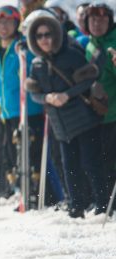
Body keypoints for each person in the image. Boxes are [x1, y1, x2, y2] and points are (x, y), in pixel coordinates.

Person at [26, 14, 110, 218]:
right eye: (39, 36)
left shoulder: (71, 55)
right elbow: (33, 92)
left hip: (84, 119)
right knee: (69, 166)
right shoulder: (37, 64)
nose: (44, 39)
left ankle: (103, 205)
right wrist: (47, 97)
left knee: (92, 163)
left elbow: (89, 79)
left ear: (56, 34)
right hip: (60, 124)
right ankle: (76, 206)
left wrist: (67, 95)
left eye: (48, 34)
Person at [0, 5, 47, 205]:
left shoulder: (23, 46)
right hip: (7, 112)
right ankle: (22, 193)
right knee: (12, 156)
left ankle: (40, 195)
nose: (3, 26)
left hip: (28, 110)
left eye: (8, 22)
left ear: (16, 23)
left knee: (32, 154)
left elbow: (35, 68)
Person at [83, 4, 116, 198]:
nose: (97, 23)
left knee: (110, 161)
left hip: (113, 114)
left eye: (102, 20)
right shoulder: (91, 43)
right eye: (92, 19)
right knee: (99, 161)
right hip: (96, 114)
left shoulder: (112, 44)